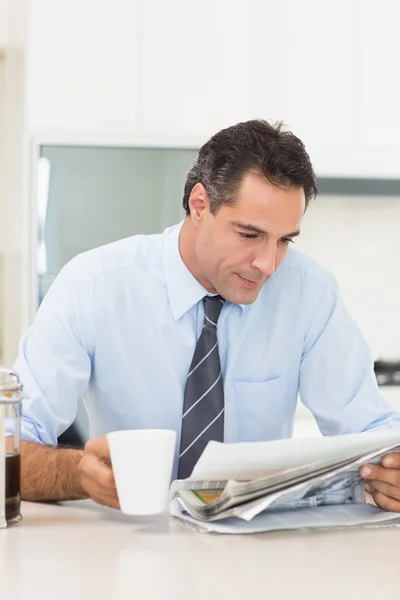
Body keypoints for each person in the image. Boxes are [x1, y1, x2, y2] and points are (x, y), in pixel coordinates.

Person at [12, 119, 400, 513]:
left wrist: (393, 469)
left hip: (254, 549)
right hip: (126, 543)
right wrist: (78, 473)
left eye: (284, 240)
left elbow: (373, 430)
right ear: (200, 205)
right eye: (249, 235)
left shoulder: (308, 292)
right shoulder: (92, 287)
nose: (267, 264)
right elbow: (10, 444)